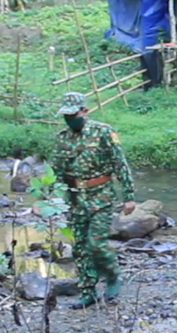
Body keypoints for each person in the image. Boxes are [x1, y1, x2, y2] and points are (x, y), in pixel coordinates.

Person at [50, 92, 137, 309]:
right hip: (75, 198)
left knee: (96, 243)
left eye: (73, 114)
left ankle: (112, 276)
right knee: (79, 247)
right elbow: (57, 171)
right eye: (66, 115)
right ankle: (87, 290)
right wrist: (51, 199)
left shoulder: (103, 132)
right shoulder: (63, 138)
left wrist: (129, 196)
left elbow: (120, 163)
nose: (70, 119)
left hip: (101, 196)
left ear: (85, 111)